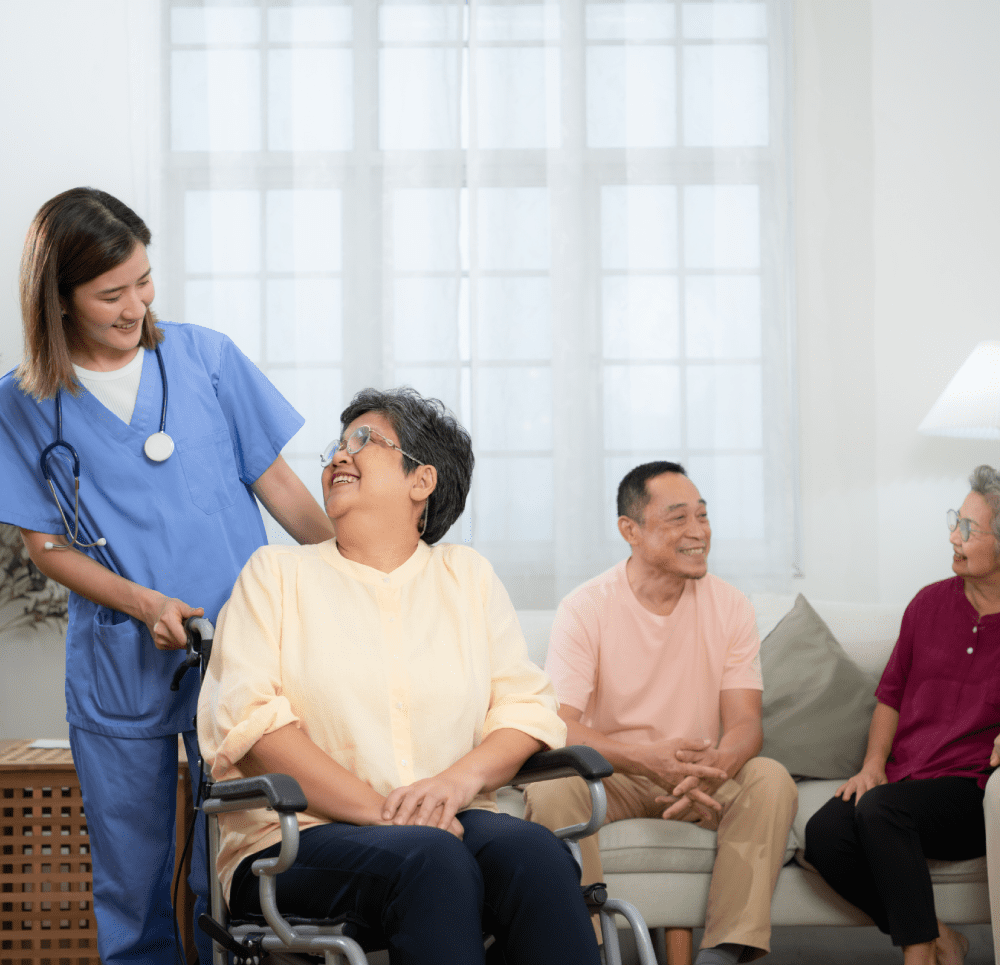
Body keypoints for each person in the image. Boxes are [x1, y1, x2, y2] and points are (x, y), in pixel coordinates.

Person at [0, 187, 335, 965]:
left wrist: (357, 574)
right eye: (110, 293)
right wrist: (142, 600)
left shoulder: (204, 357)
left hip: (244, 649)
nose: (135, 304)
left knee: (239, 859)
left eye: (143, 280)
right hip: (124, 656)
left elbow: (281, 486)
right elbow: (46, 547)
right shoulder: (22, 404)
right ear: (58, 299)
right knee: (133, 875)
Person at [197, 386, 602, 965]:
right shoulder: (277, 575)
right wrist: (383, 813)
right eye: (336, 446)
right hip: (295, 841)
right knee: (429, 859)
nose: (340, 455)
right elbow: (254, 726)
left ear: (423, 482)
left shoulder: (467, 577)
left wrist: (457, 783)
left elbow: (525, 708)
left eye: (364, 440)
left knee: (534, 855)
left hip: (452, 823)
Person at [523, 461, 797, 965]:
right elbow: (560, 724)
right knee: (552, 785)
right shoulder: (586, 607)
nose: (698, 533)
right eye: (678, 519)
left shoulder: (732, 606)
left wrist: (710, 770)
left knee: (771, 780)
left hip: (699, 777)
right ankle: (586, 948)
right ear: (630, 530)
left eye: (703, 516)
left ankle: (723, 952)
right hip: (615, 777)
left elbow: (744, 724)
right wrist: (646, 760)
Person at [804, 466, 1000, 965]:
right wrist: (872, 765)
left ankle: (916, 956)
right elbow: (889, 695)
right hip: (902, 780)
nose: (954, 535)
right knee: (825, 832)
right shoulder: (928, 603)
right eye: (957, 520)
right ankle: (938, 936)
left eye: (970, 529)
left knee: (882, 809)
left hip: (970, 793)